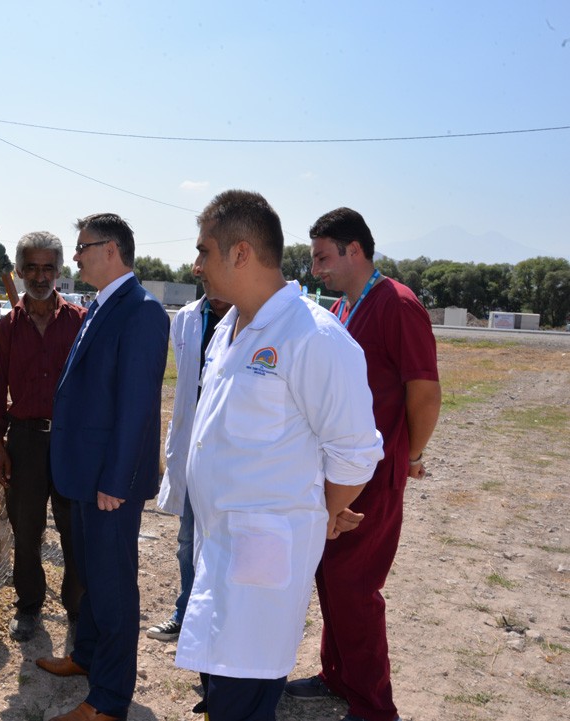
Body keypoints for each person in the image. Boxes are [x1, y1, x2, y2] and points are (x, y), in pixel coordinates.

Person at [173, 190, 384, 721]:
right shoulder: (228, 328)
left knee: (243, 695)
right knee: (222, 685)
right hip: (217, 546)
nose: (195, 265)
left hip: (260, 557)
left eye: (204, 251)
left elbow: (356, 453)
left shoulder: (313, 337)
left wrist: (324, 509)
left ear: (240, 253)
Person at [284, 208, 442, 721]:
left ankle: (375, 707)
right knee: (330, 576)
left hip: (372, 476)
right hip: (341, 471)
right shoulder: (346, 308)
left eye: (323, 258)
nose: (316, 270)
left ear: (356, 250)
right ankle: (339, 677)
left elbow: (425, 392)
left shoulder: (396, 304)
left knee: (355, 587)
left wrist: (409, 454)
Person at [35, 213, 169, 721]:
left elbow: (137, 407)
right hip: (86, 473)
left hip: (111, 481)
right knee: (91, 572)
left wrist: (116, 479)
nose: (76, 257)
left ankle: (109, 699)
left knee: (113, 588)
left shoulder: (142, 312)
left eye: (83, 247)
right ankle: (87, 657)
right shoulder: (101, 305)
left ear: (111, 249)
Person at [0, 231, 86, 643]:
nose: (40, 276)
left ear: (59, 271)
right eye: (32, 268)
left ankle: (77, 610)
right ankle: (28, 606)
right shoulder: (7, 328)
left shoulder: (80, 322)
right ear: (20, 271)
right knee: (26, 530)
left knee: (74, 529)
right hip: (24, 442)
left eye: (48, 268)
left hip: (70, 442)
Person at [148, 292, 230, 643]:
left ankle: (222, 621)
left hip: (230, 454)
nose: (201, 269)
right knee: (186, 540)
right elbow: (185, 384)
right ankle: (187, 612)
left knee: (226, 542)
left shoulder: (251, 315)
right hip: (193, 447)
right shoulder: (185, 317)